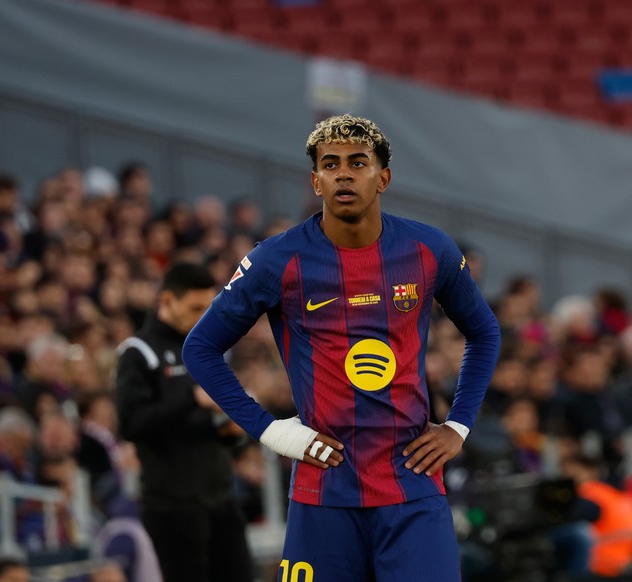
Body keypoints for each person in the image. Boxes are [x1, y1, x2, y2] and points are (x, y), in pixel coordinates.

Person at [183, 114, 501, 582]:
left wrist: (458, 425)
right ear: (316, 181)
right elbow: (200, 348)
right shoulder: (277, 260)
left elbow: (485, 332)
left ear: (383, 177)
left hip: (411, 487)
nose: (344, 174)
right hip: (323, 491)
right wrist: (269, 431)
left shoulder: (428, 249)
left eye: (358, 162)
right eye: (330, 165)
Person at [114, 263, 252, 582]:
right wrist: (191, 397)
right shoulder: (139, 352)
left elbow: (215, 423)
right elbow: (131, 424)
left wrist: (230, 430)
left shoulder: (212, 348)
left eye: (209, 307)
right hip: (172, 505)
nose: (204, 315)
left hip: (220, 496)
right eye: (195, 308)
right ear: (166, 301)